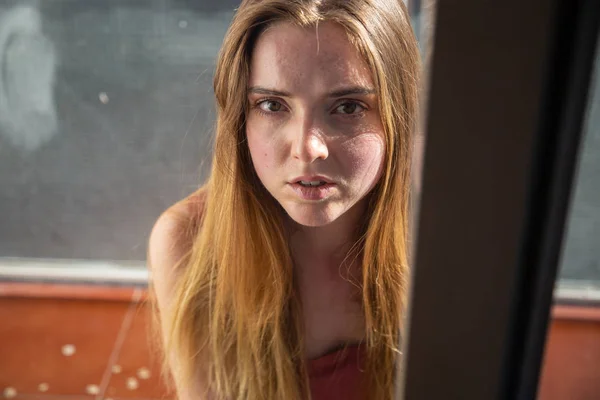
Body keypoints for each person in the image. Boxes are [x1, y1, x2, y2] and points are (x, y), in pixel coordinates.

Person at [148, 0, 420, 399]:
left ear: (398, 113)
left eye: (347, 107)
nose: (308, 148)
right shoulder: (190, 244)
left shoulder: (438, 240)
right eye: (272, 105)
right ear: (239, 116)